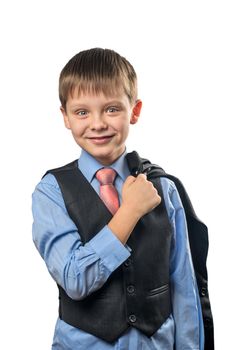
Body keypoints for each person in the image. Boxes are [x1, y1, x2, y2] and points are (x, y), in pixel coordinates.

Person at [32, 48, 205, 350]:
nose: (97, 124)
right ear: (66, 117)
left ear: (134, 111)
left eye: (112, 109)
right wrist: (131, 211)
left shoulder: (163, 188)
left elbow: (184, 287)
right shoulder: (51, 191)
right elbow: (75, 279)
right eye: (82, 112)